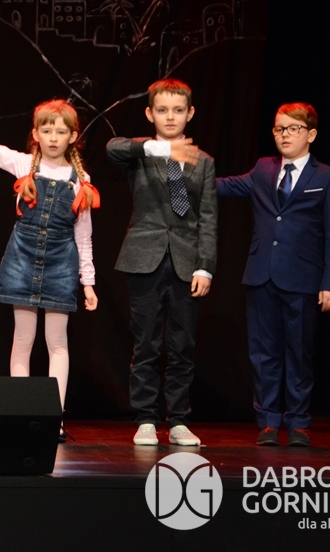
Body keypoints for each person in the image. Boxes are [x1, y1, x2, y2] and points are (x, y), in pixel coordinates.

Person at [0, 79, 97, 441]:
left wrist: (88, 282)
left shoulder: (81, 180)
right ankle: (22, 412)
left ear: (73, 137)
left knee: (57, 342)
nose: (54, 137)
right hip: (23, 258)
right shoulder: (24, 164)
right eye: (47, 130)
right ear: (36, 134)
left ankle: (54, 416)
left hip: (61, 262)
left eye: (61, 131)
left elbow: (83, 235)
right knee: (23, 339)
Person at [216, 102, 330, 446]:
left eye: (293, 128)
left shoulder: (326, 176)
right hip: (261, 274)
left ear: (311, 134)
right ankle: (268, 422)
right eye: (279, 128)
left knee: (299, 353)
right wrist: (186, 173)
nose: (284, 135)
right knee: (263, 353)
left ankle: (299, 422)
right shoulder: (263, 168)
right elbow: (226, 186)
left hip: (303, 277)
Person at [107, 78, 215, 447]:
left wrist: (205, 265)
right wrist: (161, 149)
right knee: (147, 344)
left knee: (182, 345)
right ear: (150, 113)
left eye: (178, 110)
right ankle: (146, 419)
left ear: (190, 113)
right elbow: (112, 148)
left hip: (186, 261)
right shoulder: (142, 153)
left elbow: (207, 217)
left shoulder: (204, 162)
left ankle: (179, 420)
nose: (171, 117)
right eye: (163, 110)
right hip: (145, 258)